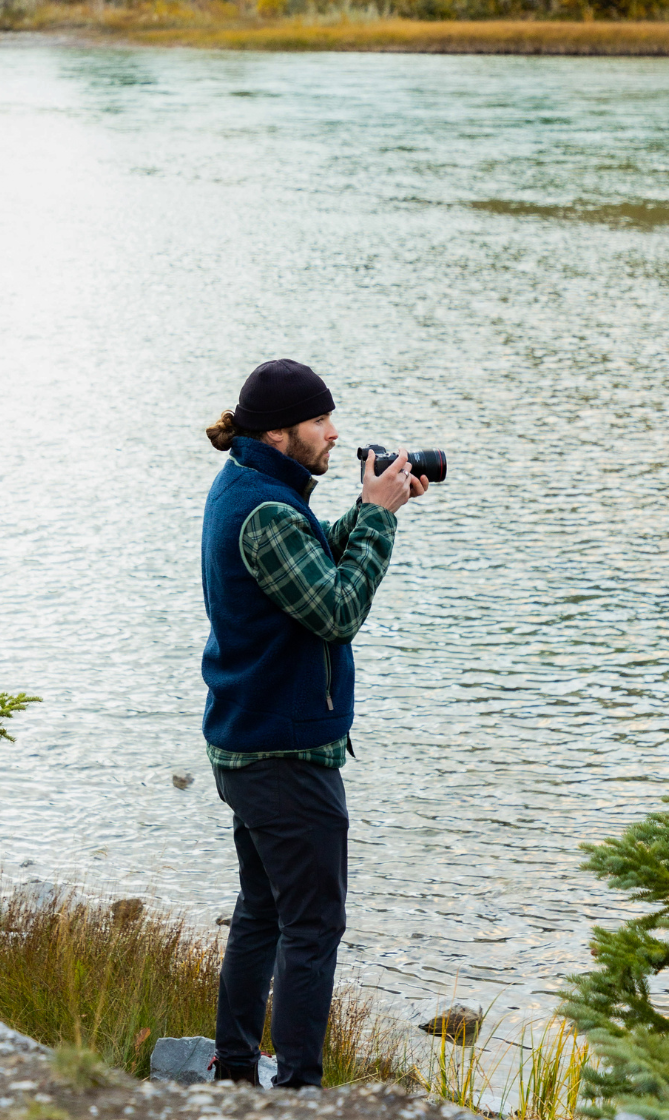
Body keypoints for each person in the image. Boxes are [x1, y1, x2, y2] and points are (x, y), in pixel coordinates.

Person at [201, 359, 428, 1090]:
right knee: (312, 928)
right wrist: (380, 522)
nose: (336, 434)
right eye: (322, 421)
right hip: (285, 753)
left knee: (263, 912)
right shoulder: (266, 508)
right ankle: (299, 1092)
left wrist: (369, 508)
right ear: (281, 431)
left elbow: (306, 558)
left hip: (252, 740)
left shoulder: (255, 489)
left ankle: (235, 1074)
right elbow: (336, 610)